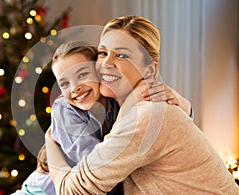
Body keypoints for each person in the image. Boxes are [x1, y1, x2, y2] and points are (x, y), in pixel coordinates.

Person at [45, 15, 239, 194]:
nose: (106, 64)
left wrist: (50, 143)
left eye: (122, 55)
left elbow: (73, 191)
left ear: (149, 70)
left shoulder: (146, 116)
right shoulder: (130, 107)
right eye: (103, 53)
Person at [15, 40, 192, 194]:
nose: (75, 87)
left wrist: (178, 100)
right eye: (64, 83)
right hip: (43, 191)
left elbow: (178, 123)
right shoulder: (64, 109)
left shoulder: (115, 98)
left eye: (82, 75)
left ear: (100, 72)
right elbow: (99, 168)